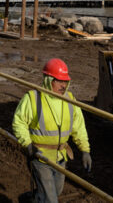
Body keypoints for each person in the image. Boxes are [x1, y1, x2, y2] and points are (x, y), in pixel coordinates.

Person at [12, 58, 91, 203]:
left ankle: (32, 200)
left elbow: (79, 127)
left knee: (56, 191)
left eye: (65, 81)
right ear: (48, 80)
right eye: (59, 81)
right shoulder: (33, 98)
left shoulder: (70, 100)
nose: (63, 85)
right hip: (40, 156)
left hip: (61, 156)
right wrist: (28, 145)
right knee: (51, 199)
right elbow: (19, 122)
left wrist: (85, 150)